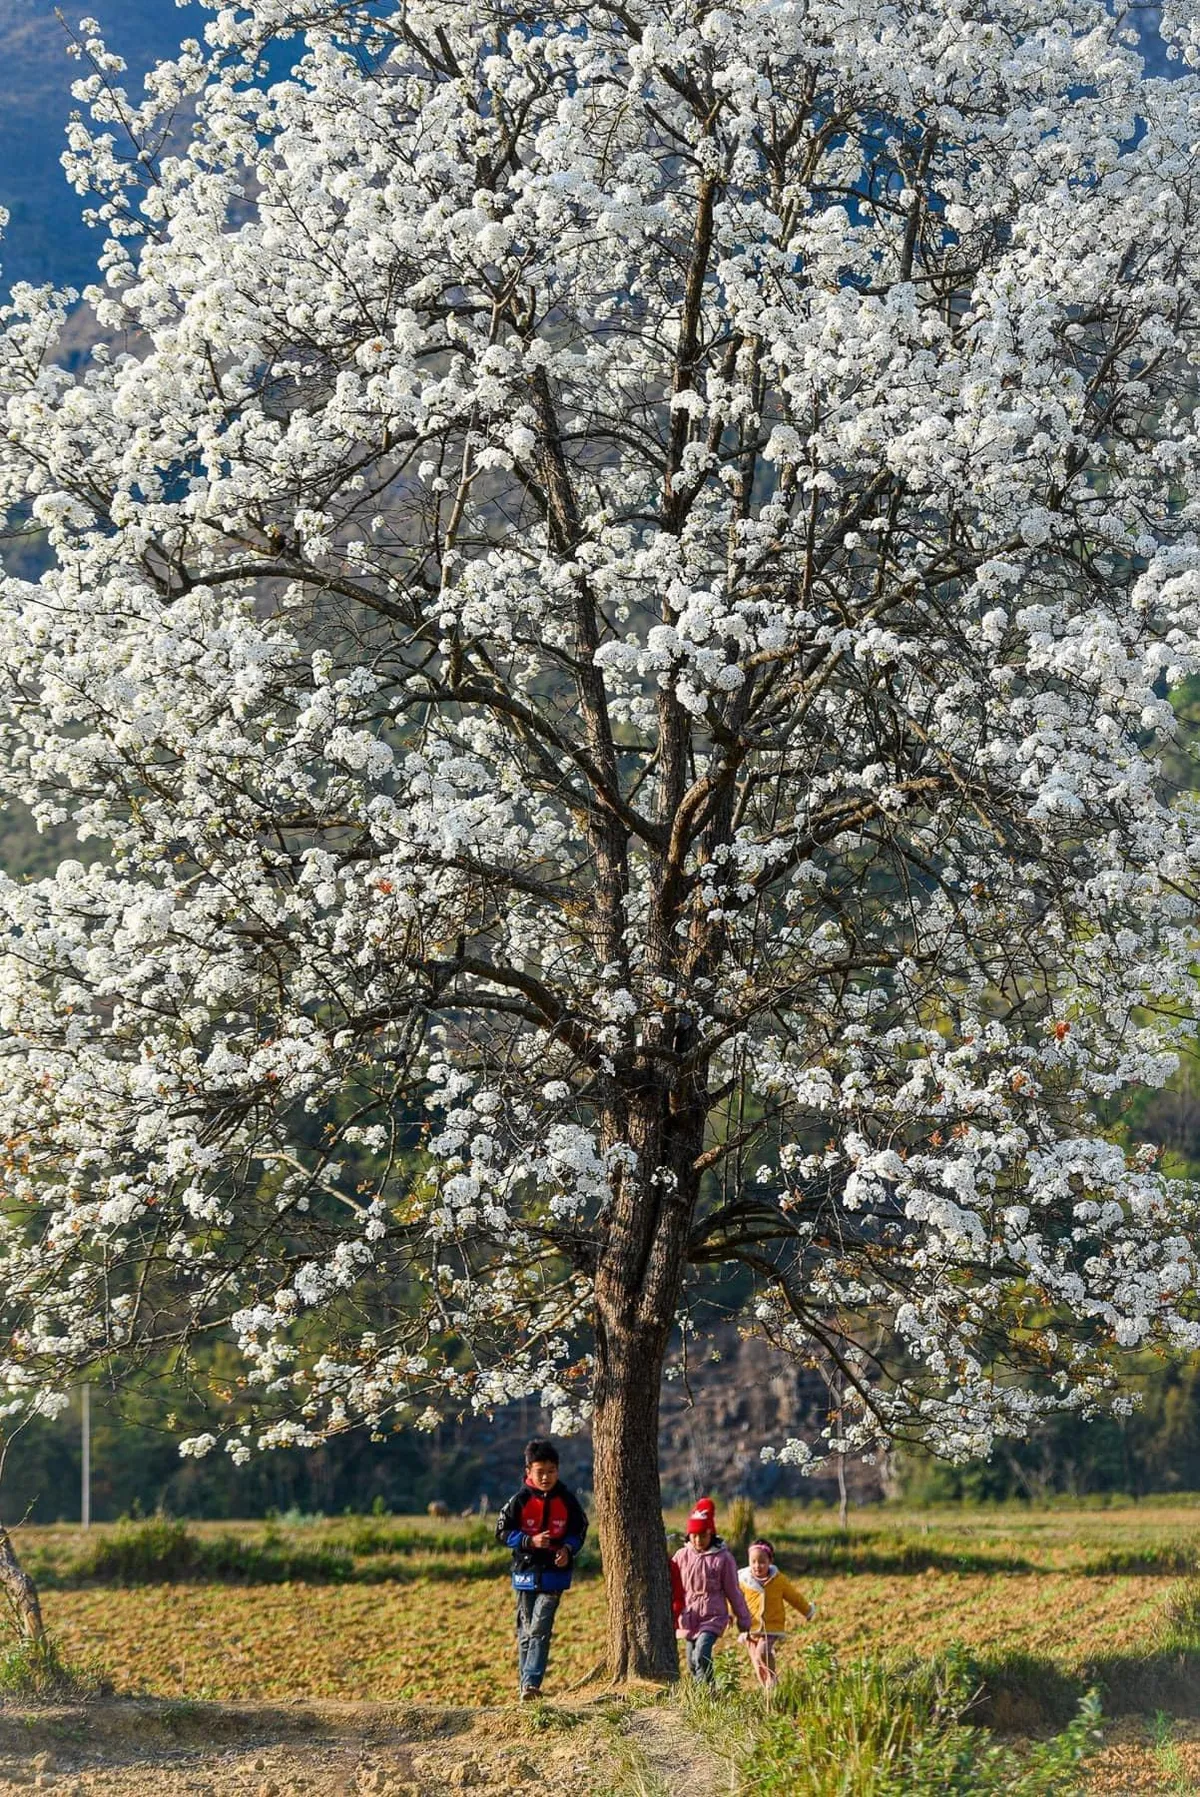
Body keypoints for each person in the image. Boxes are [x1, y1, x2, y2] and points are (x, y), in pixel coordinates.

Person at [496, 1437, 588, 1700]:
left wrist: (567, 1550)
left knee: (540, 1629)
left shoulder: (568, 1500)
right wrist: (528, 1541)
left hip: (553, 1577)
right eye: (540, 1472)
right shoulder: (519, 1501)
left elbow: (579, 1530)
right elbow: (501, 1531)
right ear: (528, 1472)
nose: (546, 1477)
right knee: (525, 1630)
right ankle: (525, 1686)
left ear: (558, 1470)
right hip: (525, 1575)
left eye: (551, 1471)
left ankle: (532, 1682)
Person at [672, 1497, 752, 1684]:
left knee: (702, 1653)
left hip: (713, 1616)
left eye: (703, 1535)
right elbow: (672, 1582)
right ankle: (701, 1698)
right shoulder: (682, 1556)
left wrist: (743, 1618)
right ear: (688, 1536)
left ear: (712, 1534)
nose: (698, 1540)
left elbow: (733, 1590)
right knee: (692, 1661)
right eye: (694, 1536)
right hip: (689, 1617)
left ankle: (709, 1692)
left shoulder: (723, 1559)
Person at [737, 1537, 817, 1689]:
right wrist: (726, 1615)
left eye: (762, 1562)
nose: (757, 1566)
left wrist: (807, 1611)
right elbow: (733, 1600)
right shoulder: (743, 1581)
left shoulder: (778, 1580)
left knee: (762, 1652)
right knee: (757, 1663)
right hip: (750, 1628)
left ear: (770, 1561)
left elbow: (794, 1597)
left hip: (772, 1626)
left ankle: (773, 1678)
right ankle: (770, 1692)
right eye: (753, 1561)